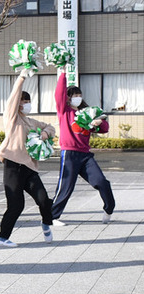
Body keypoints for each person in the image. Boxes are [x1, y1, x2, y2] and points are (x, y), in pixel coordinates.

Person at [0, 70, 56, 246]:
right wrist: (21, 78)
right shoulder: (12, 118)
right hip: (13, 166)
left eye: (28, 101)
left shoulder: (31, 122)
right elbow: (13, 98)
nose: (26, 104)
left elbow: (51, 127)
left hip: (29, 168)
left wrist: (45, 133)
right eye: (23, 101)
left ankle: (46, 223)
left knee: (43, 199)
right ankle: (2, 237)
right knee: (16, 205)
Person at [50, 69, 115, 225]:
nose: (77, 98)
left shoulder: (87, 112)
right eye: (74, 95)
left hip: (85, 155)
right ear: (68, 98)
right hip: (69, 154)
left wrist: (99, 124)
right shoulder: (64, 111)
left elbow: (105, 127)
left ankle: (109, 208)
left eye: (79, 95)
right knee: (66, 187)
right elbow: (58, 94)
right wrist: (63, 74)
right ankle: (52, 217)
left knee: (101, 182)